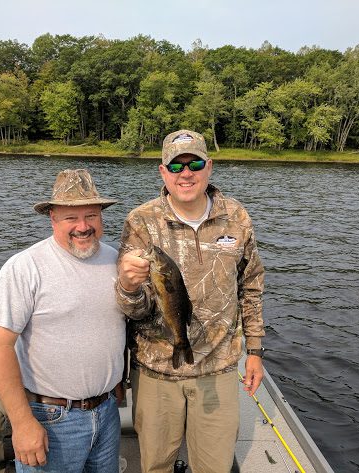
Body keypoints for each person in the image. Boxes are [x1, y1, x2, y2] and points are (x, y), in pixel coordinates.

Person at [116, 130, 266, 473]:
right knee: (155, 466)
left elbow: (252, 287)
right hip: (156, 372)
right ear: (162, 171)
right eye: (176, 165)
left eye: (194, 163)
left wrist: (255, 352)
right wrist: (128, 286)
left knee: (214, 467)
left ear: (209, 167)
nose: (186, 173)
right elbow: (132, 311)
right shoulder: (140, 222)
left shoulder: (237, 217)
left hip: (218, 369)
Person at [0, 169, 125, 473]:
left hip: (107, 412)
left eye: (91, 215)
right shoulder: (24, 268)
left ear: (101, 216)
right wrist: (22, 424)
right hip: (51, 419)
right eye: (70, 218)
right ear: (52, 218)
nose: (83, 226)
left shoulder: (117, 261)